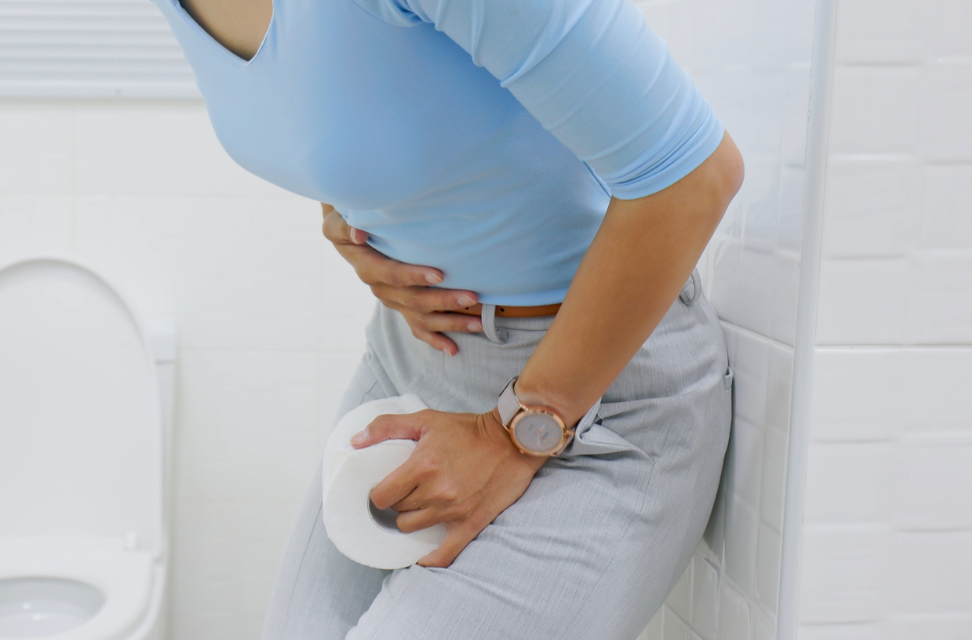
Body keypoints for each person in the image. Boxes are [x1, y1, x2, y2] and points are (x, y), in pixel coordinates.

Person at [150, 0, 744, 637]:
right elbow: (339, 94)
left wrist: (510, 431)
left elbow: (694, 177)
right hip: (413, 363)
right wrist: (345, 212)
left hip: (594, 399)